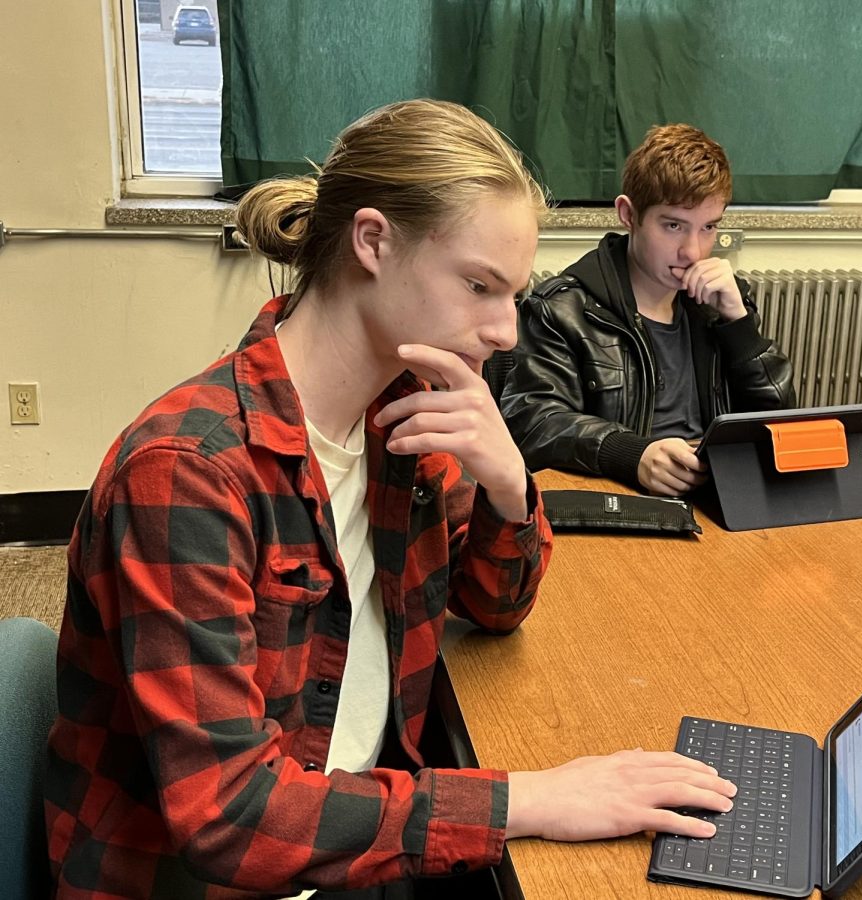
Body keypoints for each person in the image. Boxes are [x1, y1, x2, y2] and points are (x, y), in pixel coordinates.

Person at [44, 100, 737, 900]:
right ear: (372, 241)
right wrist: (532, 799)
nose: (506, 330)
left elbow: (495, 607)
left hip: (355, 832)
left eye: (512, 293)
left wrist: (509, 483)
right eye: (480, 285)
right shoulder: (189, 472)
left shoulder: (403, 422)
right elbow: (230, 819)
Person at [501, 124, 795, 496]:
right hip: (623, 504)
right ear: (628, 214)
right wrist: (632, 454)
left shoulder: (718, 305)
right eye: (673, 225)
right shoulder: (562, 309)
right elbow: (534, 422)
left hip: (715, 499)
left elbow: (779, 424)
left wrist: (740, 327)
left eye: (708, 228)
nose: (693, 251)